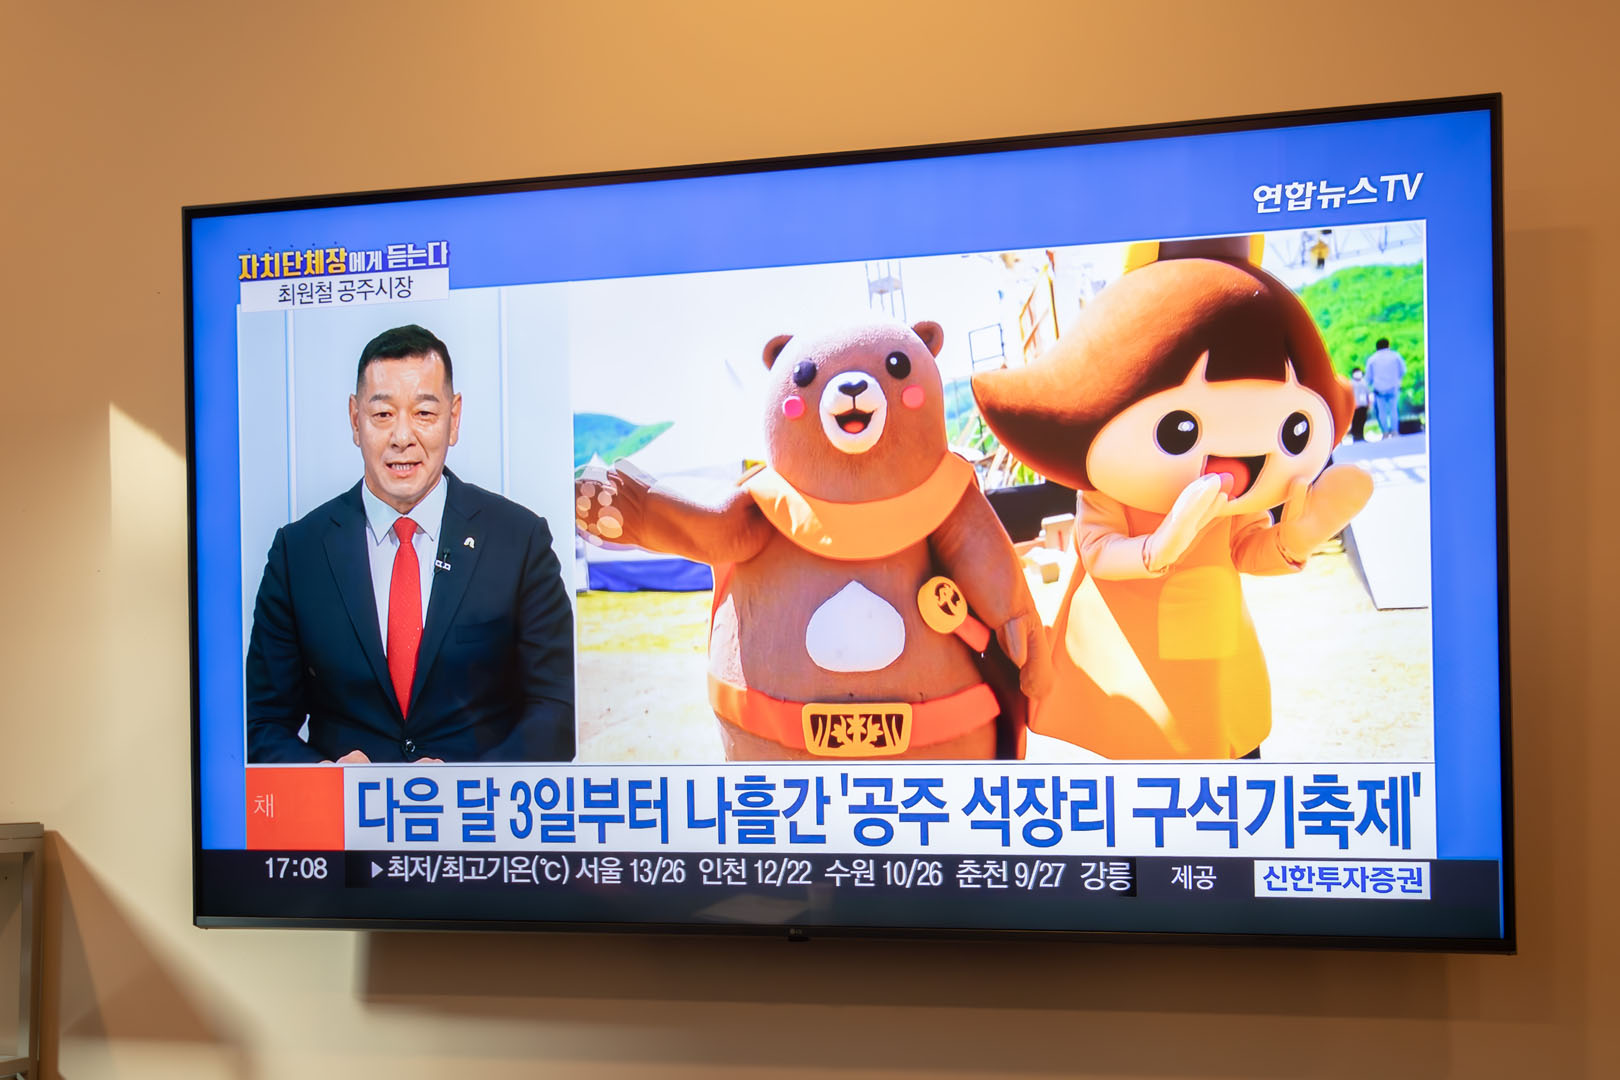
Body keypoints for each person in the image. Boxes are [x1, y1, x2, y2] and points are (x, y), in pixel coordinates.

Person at [245, 324, 575, 763]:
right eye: (383, 414)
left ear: (454, 418)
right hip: (345, 808)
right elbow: (263, 723)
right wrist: (324, 778)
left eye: (424, 413)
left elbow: (555, 712)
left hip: (478, 806)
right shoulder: (298, 553)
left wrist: (464, 786)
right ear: (355, 419)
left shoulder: (519, 541)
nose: (402, 437)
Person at [1365, 337, 1405, 438]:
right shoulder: (1395, 356)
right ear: (1388, 345)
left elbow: (1368, 377)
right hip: (1393, 387)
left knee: (1382, 412)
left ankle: (1385, 433)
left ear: (1377, 347)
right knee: (1393, 410)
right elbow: (1403, 371)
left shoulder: (1372, 359)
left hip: (1379, 390)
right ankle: (1394, 431)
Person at [1348, 365, 1370, 442]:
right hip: (1355, 406)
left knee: (1362, 420)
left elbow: (1368, 393)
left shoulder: (1364, 382)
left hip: (1363, 405)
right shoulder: (1351, 383)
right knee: (1356, 421)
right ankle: (1356, 436)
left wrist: (1369, 403)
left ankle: (1361, 435)